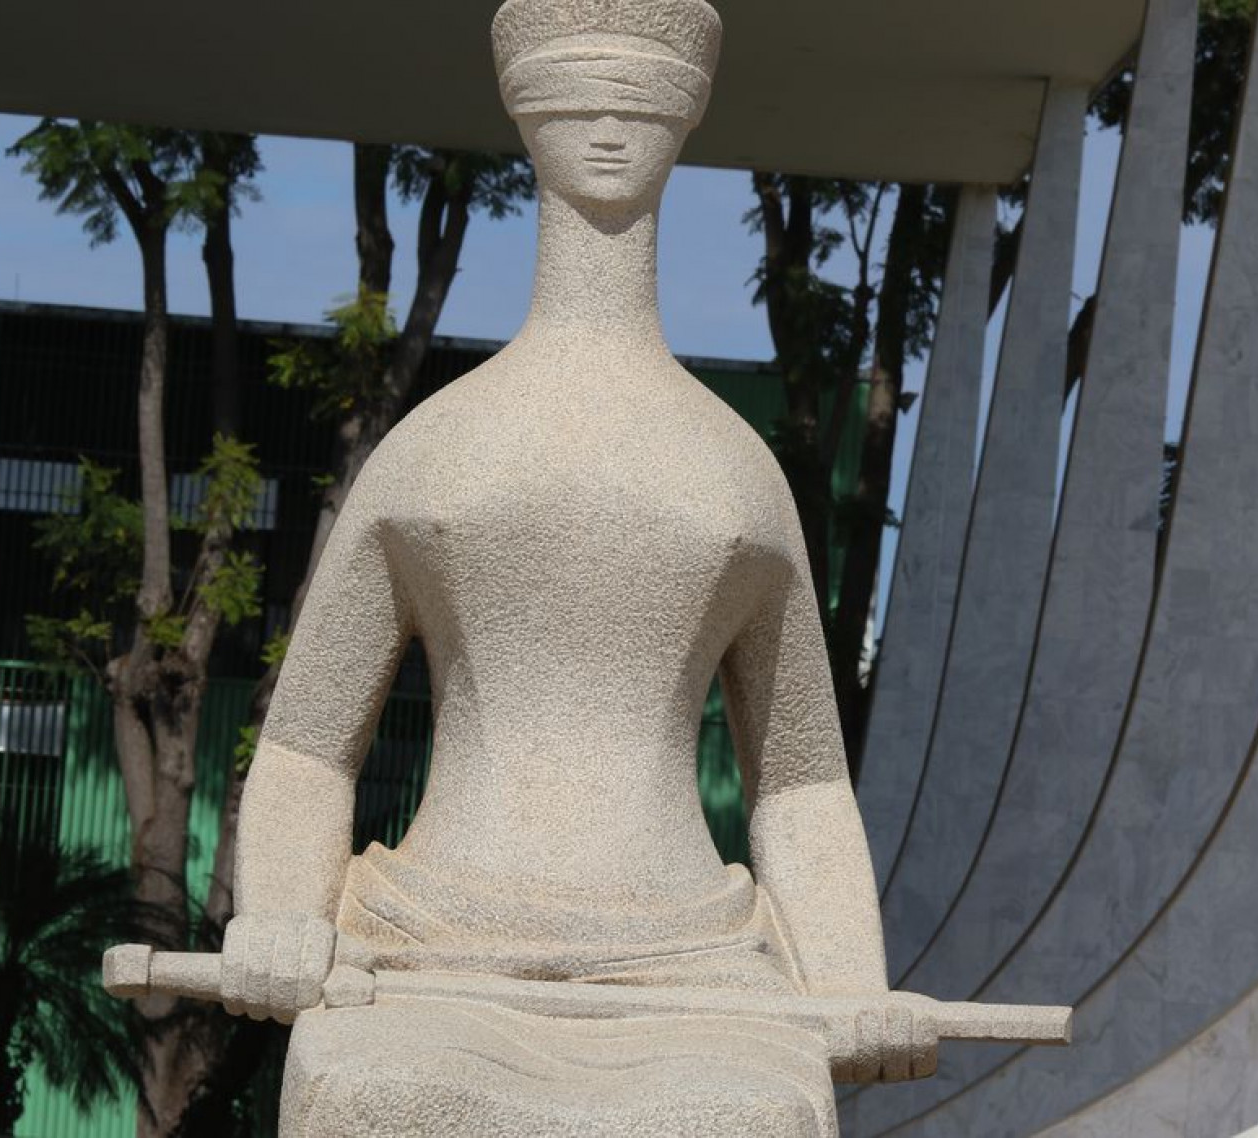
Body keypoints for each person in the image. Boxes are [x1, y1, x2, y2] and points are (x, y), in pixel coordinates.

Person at [222, 1, 916, 1131]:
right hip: (430, 947)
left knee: (747, 1116)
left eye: (637, 103)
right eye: (576, 101)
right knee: (379, 1092)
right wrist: (282, 917)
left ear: (686, 122)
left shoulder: (734, 473)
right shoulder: (437, 450)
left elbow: (799, 780)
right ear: (524, 117)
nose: (607, 129)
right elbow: (304, 748)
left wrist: (847, 983)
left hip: (694, 959)